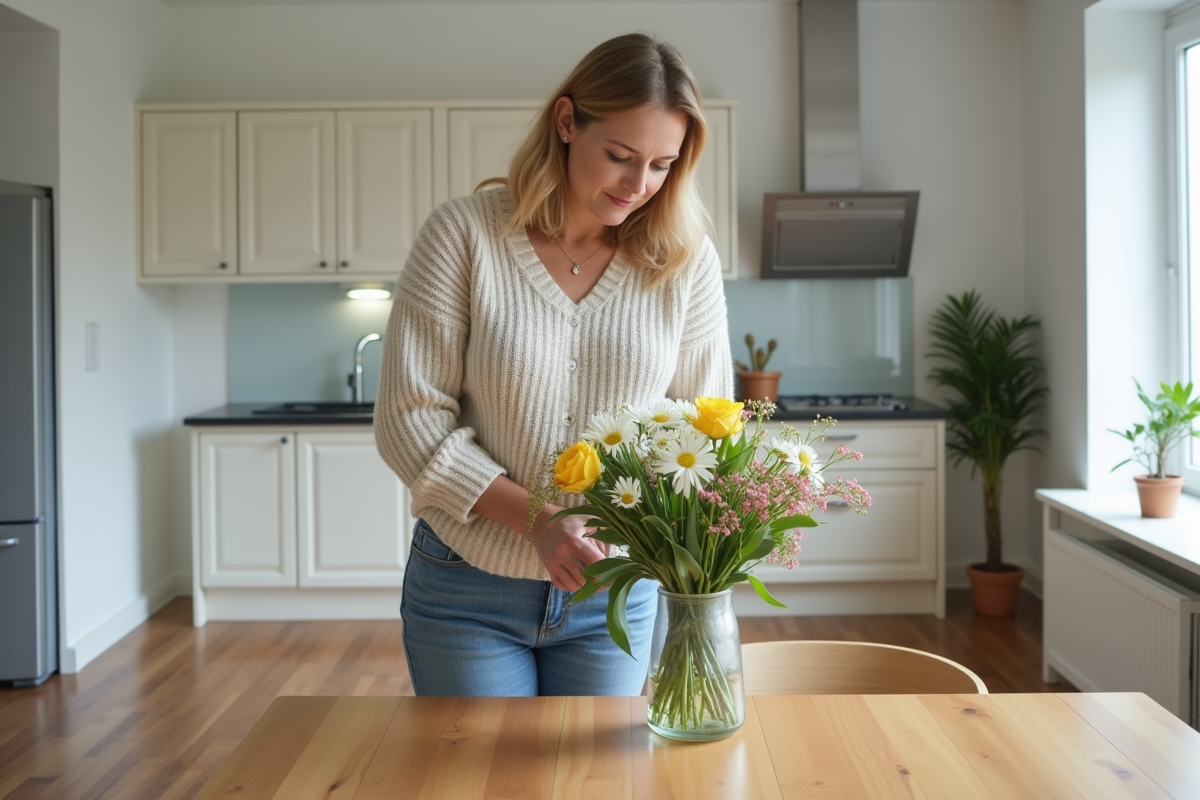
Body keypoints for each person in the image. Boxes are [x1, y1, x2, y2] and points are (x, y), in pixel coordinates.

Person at [374, 32, 733, 697]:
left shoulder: (686, 263)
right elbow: (408, 420)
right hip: (466, 586)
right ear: (567, 122)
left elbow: (705, 434)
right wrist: (539, 522)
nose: (639, 185)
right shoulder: (464, 236)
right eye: (621, 156)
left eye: (661, 165)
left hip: (616, 593)